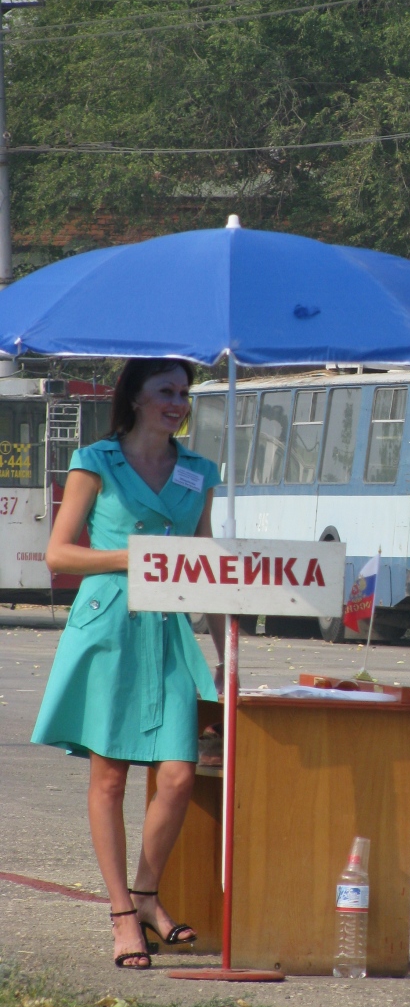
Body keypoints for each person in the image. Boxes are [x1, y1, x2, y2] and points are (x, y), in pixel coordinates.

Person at [32, 358, 225, 970]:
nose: (177, 402)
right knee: (110, 779)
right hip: (109, 628)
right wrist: (134, 558)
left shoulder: (198, 471)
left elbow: (206, 567)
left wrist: (225, 654)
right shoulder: (96, 461)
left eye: (183, 394)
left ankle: (146, 893)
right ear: (135, 397)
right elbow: (58, 553)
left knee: (177, 774)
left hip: (169, 633)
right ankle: (122, 913)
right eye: (165, 391)